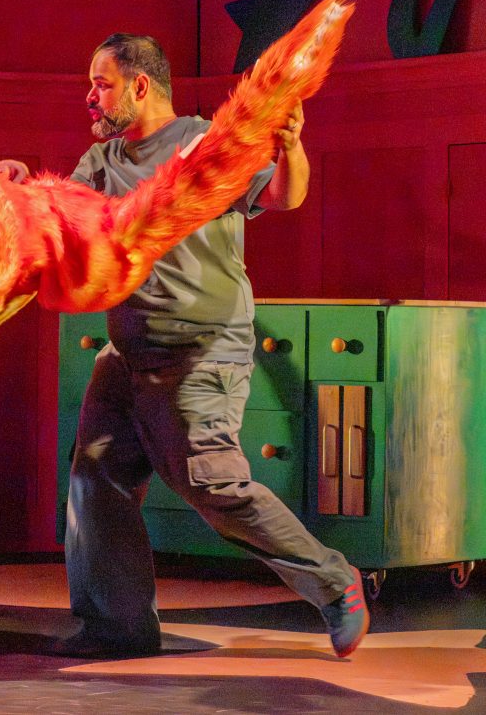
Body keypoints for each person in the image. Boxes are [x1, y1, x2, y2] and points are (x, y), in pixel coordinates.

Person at [57, 34, 369, 658]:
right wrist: (16, 188)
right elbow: (60, 212)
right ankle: (119, 627)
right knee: (97, 476)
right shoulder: (101, 162)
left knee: (213, 485)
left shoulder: (206, 142)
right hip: (127, 356)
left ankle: (336, 585)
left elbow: (284, 195)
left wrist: (290, 148)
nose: (90, 97)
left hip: (201, 351)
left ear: (141, 86)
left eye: (102, 83)